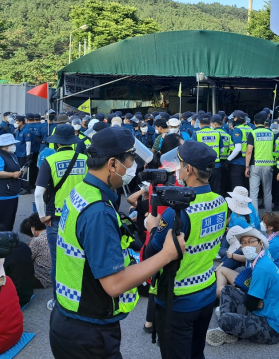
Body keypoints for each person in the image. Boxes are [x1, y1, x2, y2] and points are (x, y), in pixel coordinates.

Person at [50, 127, 185, 359]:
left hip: (71, 317)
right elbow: (114, 284)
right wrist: (166, 254)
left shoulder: (83, 191)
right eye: (131, 159)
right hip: (89, 332)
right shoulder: (98, 212)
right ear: (113, 164)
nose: (133, 166)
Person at [144, 140, 227, 359]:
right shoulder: (220, 202)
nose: (178, 169)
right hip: (207, 290)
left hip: (177, 299)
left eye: (180, 164)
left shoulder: (178, 213)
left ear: (189, 169)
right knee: (196, 353)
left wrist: (153, 228)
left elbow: (152, 254)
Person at [34, 124, 88, 310]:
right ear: (73, 143)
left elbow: (38, 192)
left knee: (58, 260)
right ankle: (83, 296)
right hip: (82, 215)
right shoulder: (85, 159)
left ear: (55, 143)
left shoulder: (49, 160)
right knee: (82, 256)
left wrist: (42, 216)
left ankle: (59, 300)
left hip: (56, 217)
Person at [208, 226, 279, 346]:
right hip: (263, 312)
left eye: (251, 241)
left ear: (261, 244)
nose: (247, 246)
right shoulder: (261, 259)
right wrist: (253, 300)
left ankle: (228, 326)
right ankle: (230, 326)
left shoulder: (261, 268)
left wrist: (252, 300)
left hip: (271, 329)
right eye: (243, 243)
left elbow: (251, 305)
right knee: (227, 290)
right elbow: (253, 302)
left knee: (224, 320)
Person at [218, 186, 260, 270]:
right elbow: (232, 217)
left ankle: (237, 258)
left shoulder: (241, 218)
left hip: (241, 240)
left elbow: (250, 232)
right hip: (238, 236)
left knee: (221, 252)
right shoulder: (242, 206)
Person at [0, 133, 22, 231]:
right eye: (11, 144)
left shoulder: (11, 155)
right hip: (3, 193)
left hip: (13, 192)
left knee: (9, 220)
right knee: (2, 222)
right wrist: (12, 174)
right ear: (5, 146)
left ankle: (8, 240)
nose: (13, 146)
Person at [244, 112, 275, 211]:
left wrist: (246, 166)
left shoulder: (252, 133)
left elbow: (249, 151)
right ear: (265, 122)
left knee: (253, 193)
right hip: (268, 165)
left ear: (254, 122)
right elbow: (273, 148)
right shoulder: (271, 133)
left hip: (255, 165)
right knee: (268, 192)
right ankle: (268, 216)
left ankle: (255, 218)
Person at [20, 213, 52, 289]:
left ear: (33, 228)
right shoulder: (53, 233)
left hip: (41, 279)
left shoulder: (37, 240)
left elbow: (27, 259)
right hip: (56, 276)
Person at [193, 114, 223, 195]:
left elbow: (194, 151)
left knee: (203, 190)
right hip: (216, 165)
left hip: (201, 167)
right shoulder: (217, 133)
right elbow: (222, 149)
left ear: (200, 123)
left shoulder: (197, 133)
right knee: (216, 189)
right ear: (210, 122)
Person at [228, 111, 252, 191]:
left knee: (237, 188)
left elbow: (238, 148)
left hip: (237, 162)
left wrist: (228, 159)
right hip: (247, 161)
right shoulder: (250, 128)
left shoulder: (237, 130)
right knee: (245, 187)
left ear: (236, 119)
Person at [13, 115, 33, 193]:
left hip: (23, 155)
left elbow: (28, 143)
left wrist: (28, 155)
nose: (16, 123)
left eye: (17, 121)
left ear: (21, 122)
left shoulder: (26, 130)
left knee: (24, 172)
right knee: (19, 170)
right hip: (17, 154)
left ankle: (26, 188)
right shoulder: (18, 130)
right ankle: (20, 186)